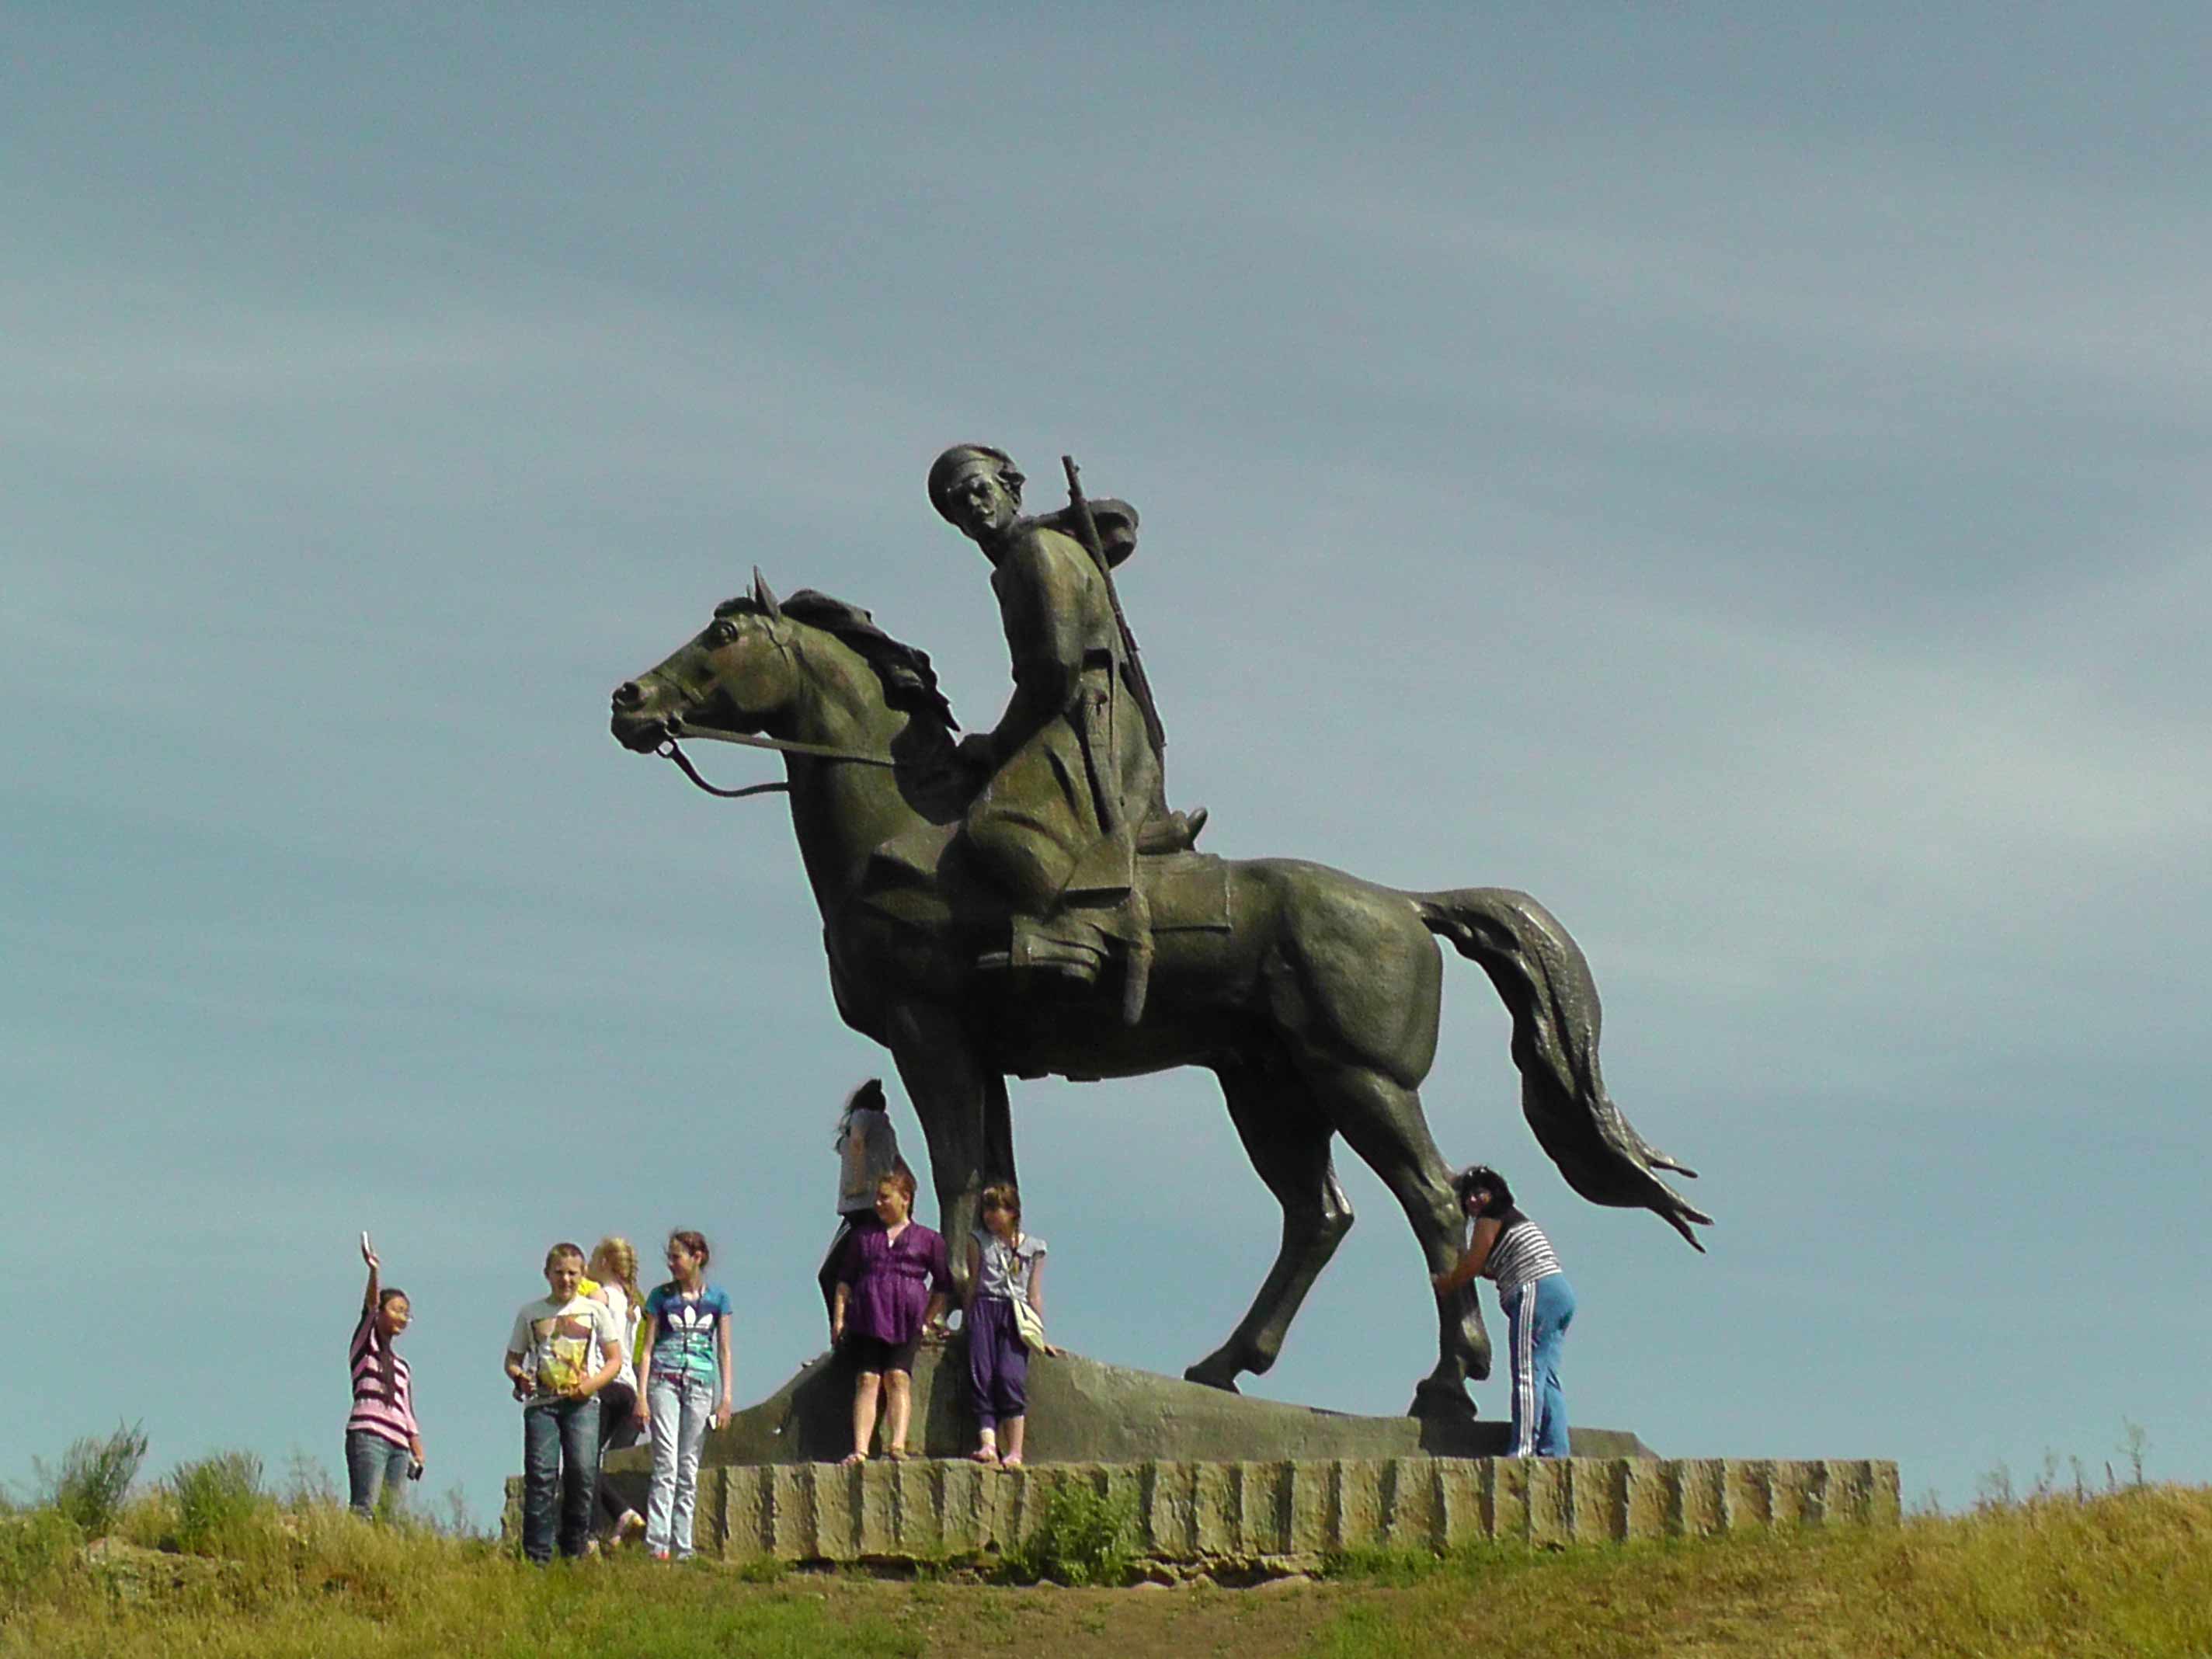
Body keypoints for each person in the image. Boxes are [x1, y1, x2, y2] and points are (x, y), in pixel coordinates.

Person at [928, 443, 1202, 1007]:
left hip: (1089, 716)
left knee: (993, 825)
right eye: (960, 503)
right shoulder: (1011, 567)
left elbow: (1053, 670)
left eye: (982, 490)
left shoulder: (1037, 552)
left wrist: (999, 742)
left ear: (1012, 490)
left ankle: (1085, 931)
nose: (974, 506)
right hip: (1073, 706)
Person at [1431, 1165, 1577, 1458]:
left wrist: (1447, 1282)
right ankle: (1555, 1452)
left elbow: (1473, 1265)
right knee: (1546, 1377)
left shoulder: (1492, 1216)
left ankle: (1522, 1450)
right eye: (1468, 1196)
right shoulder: (1510, 1222)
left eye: (1479, 1193)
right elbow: (1487, 1266)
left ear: (1494, 1193)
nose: (1473, 1200)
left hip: (1535, 1290)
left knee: (1526, 1373)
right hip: (1557, 1292)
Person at [503, 1241, 625, 1563]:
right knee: (541, 1476)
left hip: (584, 1404)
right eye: (559, 1273)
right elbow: (512, 1360)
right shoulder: (530, 1313)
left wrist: (590, 1386)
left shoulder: (595, 1310)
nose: (566, 1280)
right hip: (541, 1406)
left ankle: (574, 1550)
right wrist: (520, 1377)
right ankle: (537, 1558)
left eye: (572, 1273)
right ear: (547, 1274)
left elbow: (614, 1360)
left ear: (583, 1274)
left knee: (582, 1474)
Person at [831, 1168, 951, 1466]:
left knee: (898, 1377)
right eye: (878, 1198)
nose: (879, 1204)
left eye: (885, 1197)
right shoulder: (863, 1238)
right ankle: (860, 1449)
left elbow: (944, 1284)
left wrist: (927, 1319)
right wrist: (839, 1319)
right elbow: (844, 1280)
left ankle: (897, 1445)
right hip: (868, 1317)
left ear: (905, 1199)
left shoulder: (928, 1239)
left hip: (906, 1319)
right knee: (867, 1379)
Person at [635, 1229, 733, 1562]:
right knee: (666, 1461)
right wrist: (642, 1396)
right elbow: (646, 1349)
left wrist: (726, 1398)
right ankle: (657, 1543)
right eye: (670, 1257)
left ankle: (683, 1544)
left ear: (697, 1257)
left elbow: (724, 1350)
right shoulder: (660, 1297)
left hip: (700, 1383)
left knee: (689, 1463)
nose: (672, 1264)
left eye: (678, 1257)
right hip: (664, 1379)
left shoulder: (719, 1299)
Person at [962, 1182, 1047, 1469]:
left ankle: (1015, 1450)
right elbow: (973, 1282)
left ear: (1012, 1211)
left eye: (995, 1209)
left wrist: (1039, 1333)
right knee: (982, 1375)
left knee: (1010, 1377)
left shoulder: (1034, 1248)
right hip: (985, 1308)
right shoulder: (977, 1241)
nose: (989, 1216)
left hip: (1015, 1313)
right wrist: (966, 1320)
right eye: (986, 1209)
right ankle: (988, 1443)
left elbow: (1034, 1292)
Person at [816, 1079, 909, 1330]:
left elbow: (856, 1141)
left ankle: (844, 1332)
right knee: (866, 1272)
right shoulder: (886, 1129)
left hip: (860, 1210)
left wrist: (858, 1184)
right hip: (879, 1212)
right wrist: (905, 1207)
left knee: (831, 1274)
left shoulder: (862, 1117)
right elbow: (902, 1167)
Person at [346, 1232, 425, 1520]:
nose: (403, 1317)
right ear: (382, 1312)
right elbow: (369, 1308)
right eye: (397, 1310)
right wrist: (374, 1271)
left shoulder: (402, 1367)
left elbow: (407, 1412)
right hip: (369, 1435)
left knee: (391, 1515)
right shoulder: (365, 1348)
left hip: (398, 1444)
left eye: (407, 1313)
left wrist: (418, 1451)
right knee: (364, 1506)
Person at [586, 1236, 648, 1547]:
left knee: (583, 1461)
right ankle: (616, 1519)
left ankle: (604, 1524)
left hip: (604, 1382)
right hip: (628, 1387)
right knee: (593, 1460)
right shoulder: (632, 1304)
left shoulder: (601, 1296)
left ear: (604, 1263)